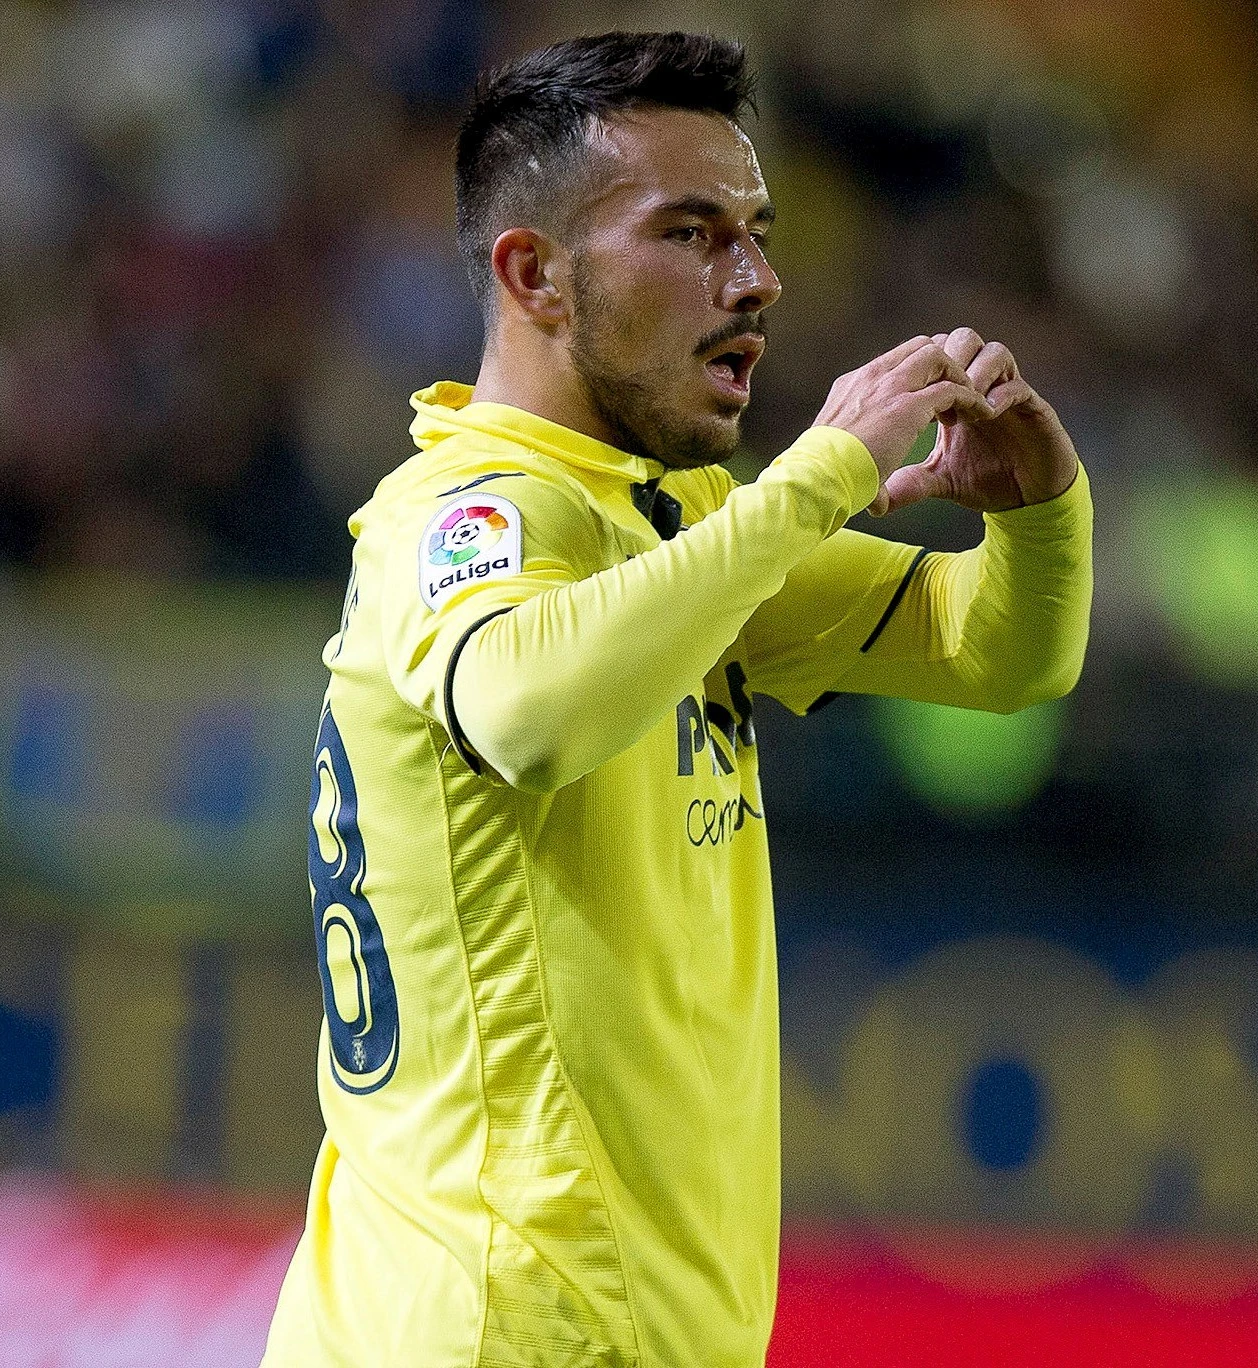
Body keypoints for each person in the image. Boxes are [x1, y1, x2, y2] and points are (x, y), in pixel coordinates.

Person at [260, 32, 1093, 1368]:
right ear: (536, 275)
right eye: (691, 233)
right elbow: (531, 716)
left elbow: (996, 655)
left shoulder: (680, 531)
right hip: (489, 1328)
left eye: (757, 233)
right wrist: (817, 477)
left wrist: (1041, 512)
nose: (756, 279)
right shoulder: (463, 516)